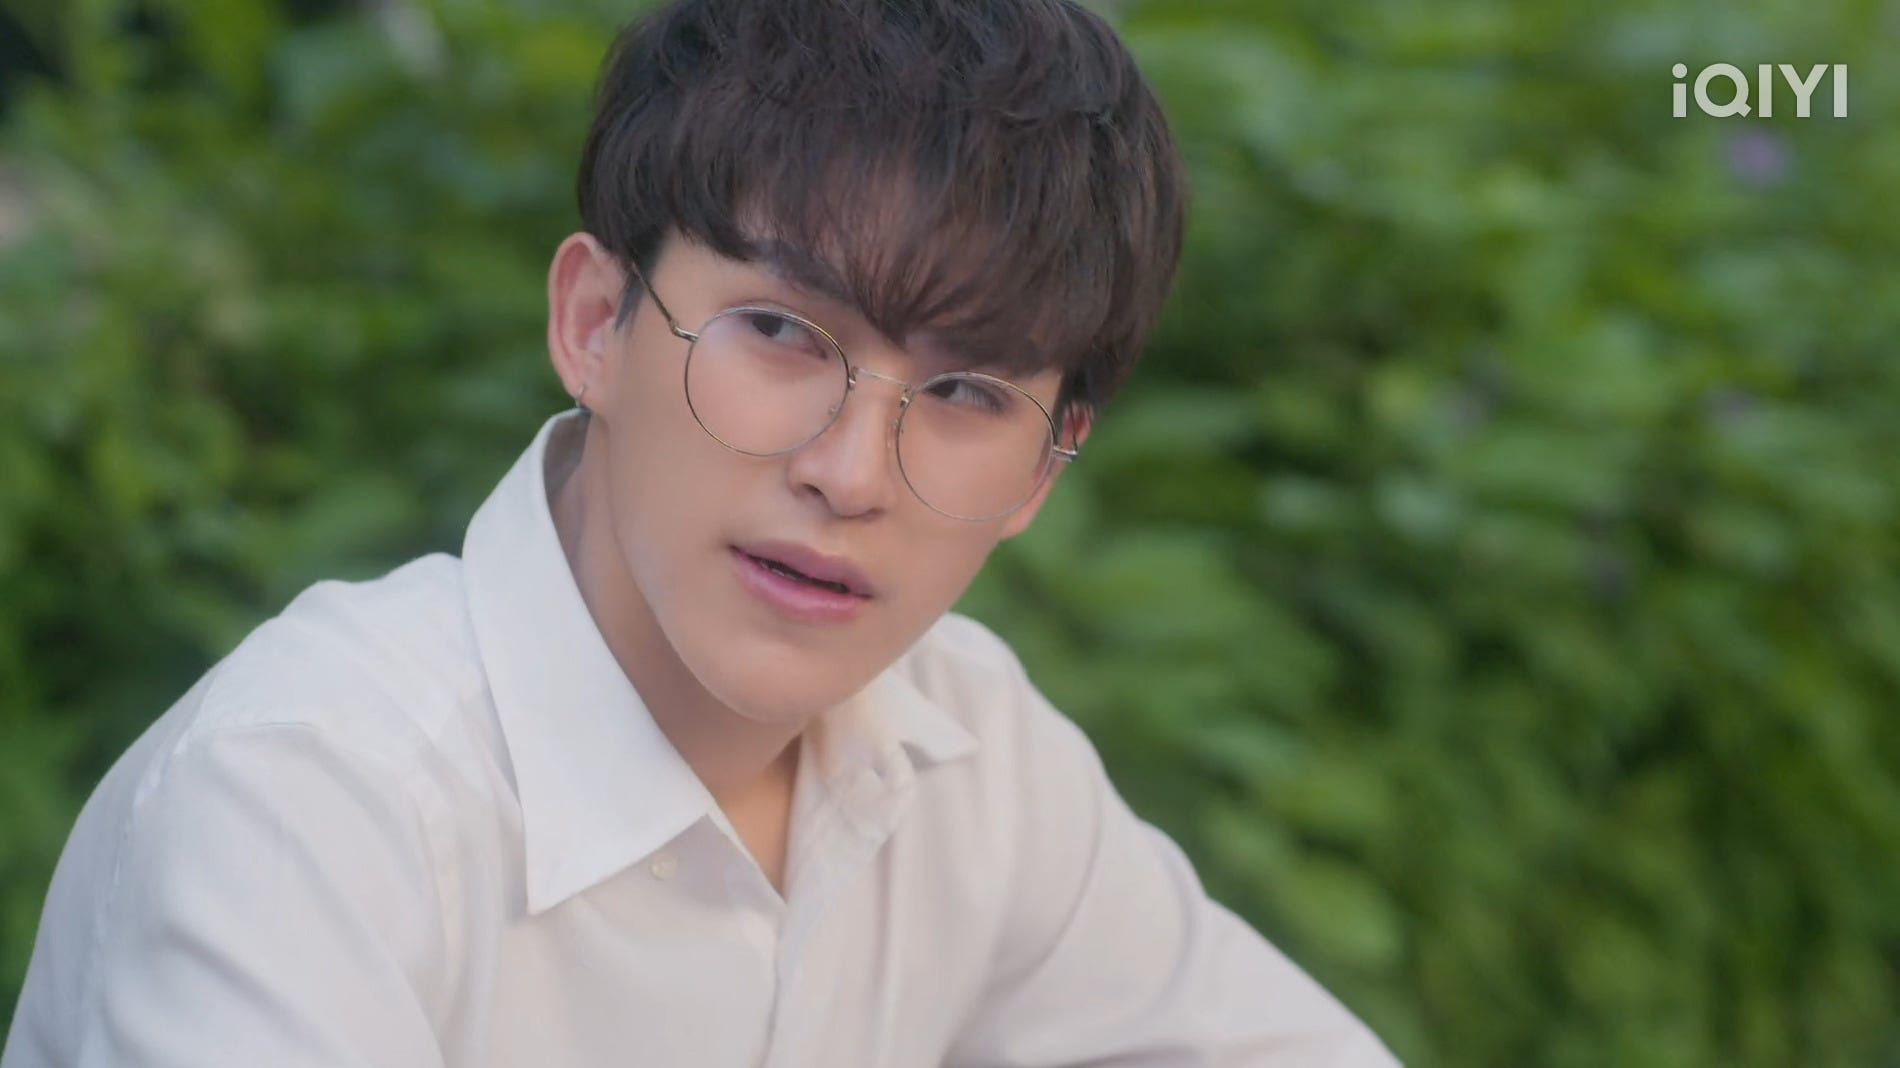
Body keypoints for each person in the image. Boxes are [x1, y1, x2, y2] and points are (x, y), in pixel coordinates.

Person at [3, 1, 1400, 1064]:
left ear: (1044, 469)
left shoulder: (970, 755)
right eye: (781, 331)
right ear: (593, 324)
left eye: (967, 393)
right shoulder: (306, 799)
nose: (851, 475)